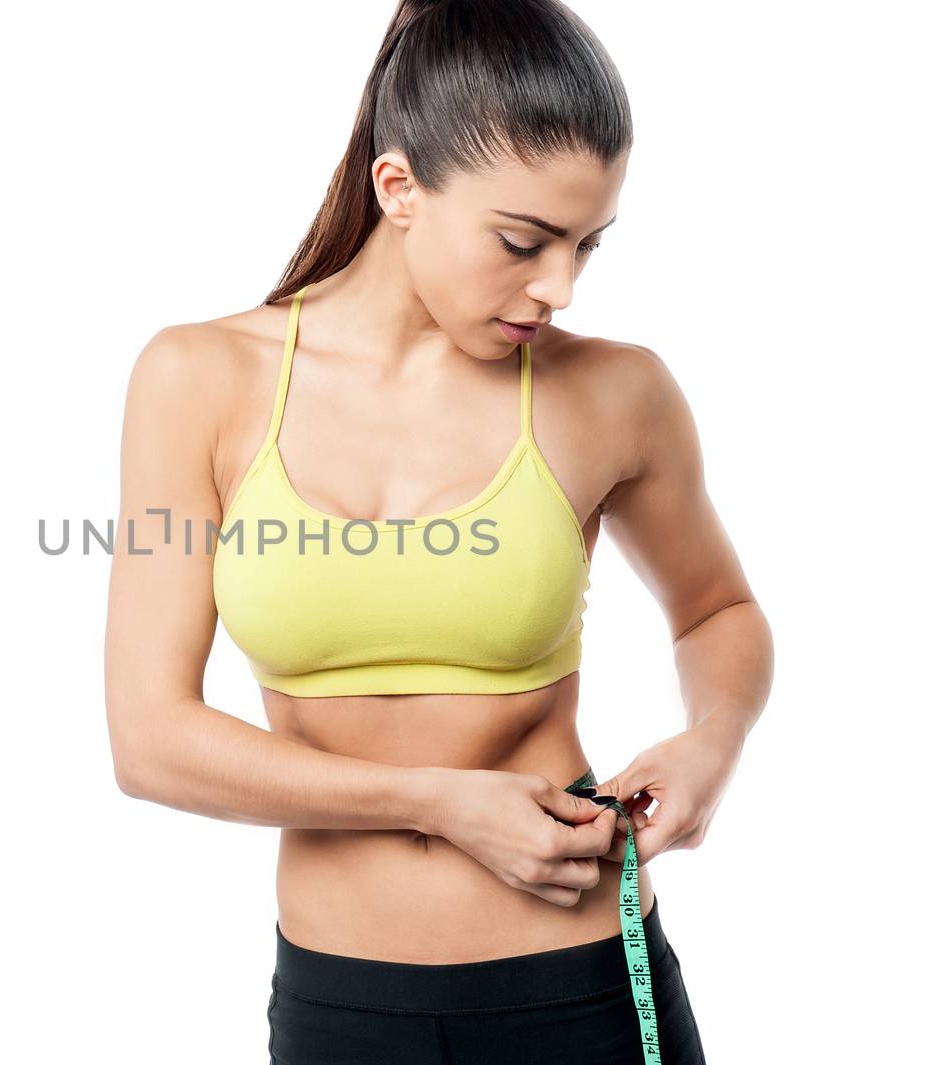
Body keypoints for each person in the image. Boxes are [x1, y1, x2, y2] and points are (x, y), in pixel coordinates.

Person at [104, 1, 773, 1060]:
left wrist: (711, 743)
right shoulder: (199, 381)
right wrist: (437, 803)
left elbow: (717, 608)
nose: (556, 288)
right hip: (339, 1005)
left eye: (586, 246)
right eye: (523, 242)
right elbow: (149, 741)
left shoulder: (612, 394)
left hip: (583, 987)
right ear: (399, 187)